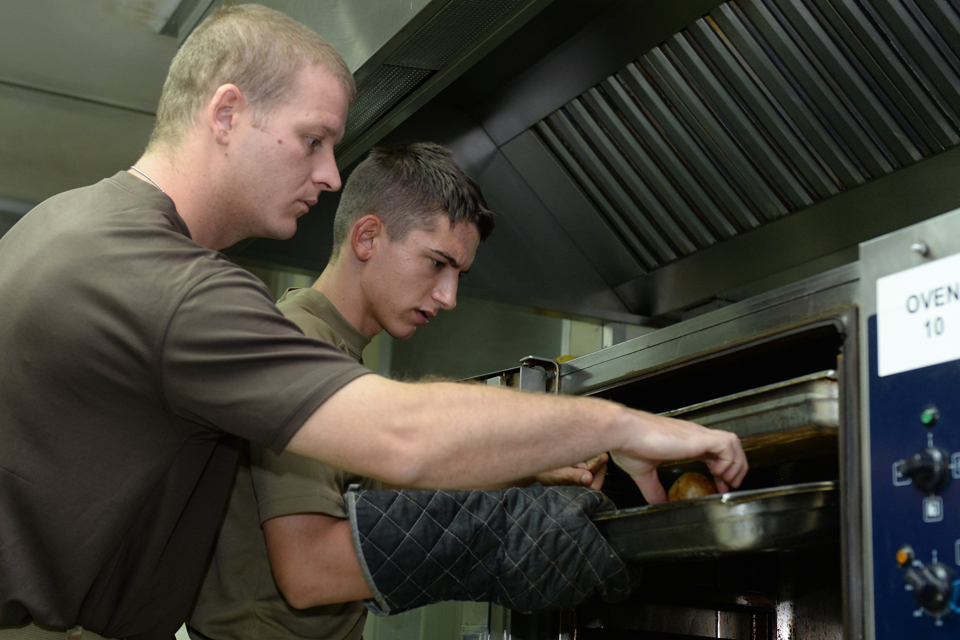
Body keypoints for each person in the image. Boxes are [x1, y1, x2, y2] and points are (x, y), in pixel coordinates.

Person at [0, 5, 747, 640]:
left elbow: (360, 460)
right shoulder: (170, 287)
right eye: (314, 139)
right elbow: (401, 437)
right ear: (226, 115)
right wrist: (617, 426)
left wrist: (518, 459)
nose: (329, 175)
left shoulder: (64, 224)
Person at [186, 141, 608, 640]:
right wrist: (495, 539)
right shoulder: (303, 352)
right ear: (367, 237)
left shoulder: (332, 353)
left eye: (458, 276)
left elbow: (382, 500)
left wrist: (522, 463)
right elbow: (308, 573)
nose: (449, 297)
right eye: (436, 264)